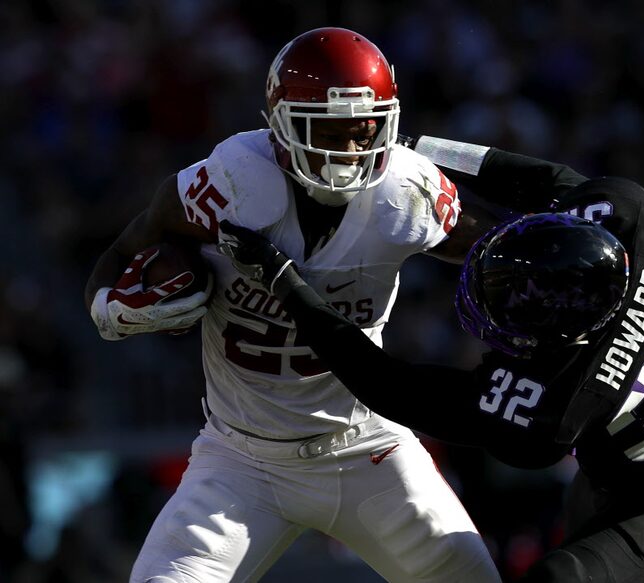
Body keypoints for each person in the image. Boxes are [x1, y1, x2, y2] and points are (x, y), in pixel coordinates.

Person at [216, 138, 644, 582]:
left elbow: (388, 386)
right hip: (639, 454)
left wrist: (285, 284)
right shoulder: (628, 221)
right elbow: (546, 180)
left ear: (560, 338)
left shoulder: (556, 401)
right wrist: (410, 151)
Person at [84, 29, 501, 582]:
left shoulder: (404, 191)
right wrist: (111, 309)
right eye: (329, 130)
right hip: (240, 462)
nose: (349, 151)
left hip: (367, 448)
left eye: (363, 130)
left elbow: (500, 251)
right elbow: (123, 250)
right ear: (280, 123)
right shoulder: (233, 181)